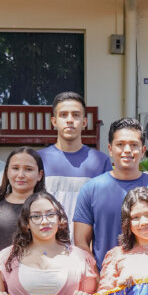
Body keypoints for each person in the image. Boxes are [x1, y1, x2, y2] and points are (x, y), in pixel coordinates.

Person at [73, 118, 148, 266]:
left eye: (133, 145)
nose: (127, 150)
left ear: (142, 151)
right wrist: (97, 276)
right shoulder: (91, 189)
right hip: (105, 281)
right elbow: (81, 243)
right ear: (110, 149)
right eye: (120, 144)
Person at [0, 192, 98, 295]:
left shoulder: (80, 258)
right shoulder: (6, 257)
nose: (44, 221)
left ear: (59, 219)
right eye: (36, 216)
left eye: (50, 215)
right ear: (26, 224)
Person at [38, 93, 111, 227]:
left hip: (86, 244)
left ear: (84, 122)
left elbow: (105, 209)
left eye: (76, 115)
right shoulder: (37, 160)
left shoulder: (101, 161)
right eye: (63, 115)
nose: (70, 120)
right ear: (54, 121)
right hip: (47, 242)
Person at [0, 147, 46, 256]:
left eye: (28, 169)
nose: (20, 175)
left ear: (39, 175)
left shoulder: (48, 207)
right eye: (15, 168)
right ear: (7, 171)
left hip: (37, 270)